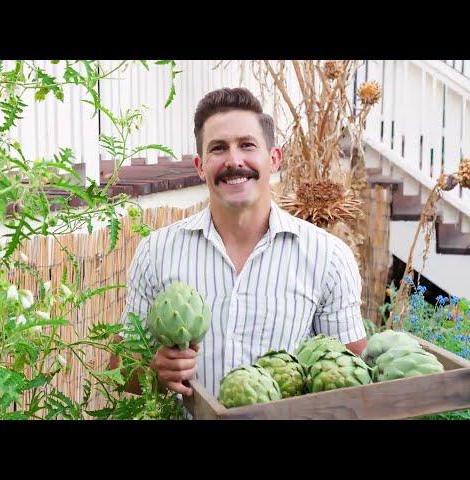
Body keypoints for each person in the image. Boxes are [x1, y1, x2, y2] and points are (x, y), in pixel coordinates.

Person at [110, 87, 368, 399]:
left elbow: (353, 382)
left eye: (247, 145)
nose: (234, 161)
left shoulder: (328, 258)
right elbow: (120, 370)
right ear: (199, 166)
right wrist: (155, 371)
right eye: (218, 148)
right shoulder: (156, 253)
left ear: (273, 159)